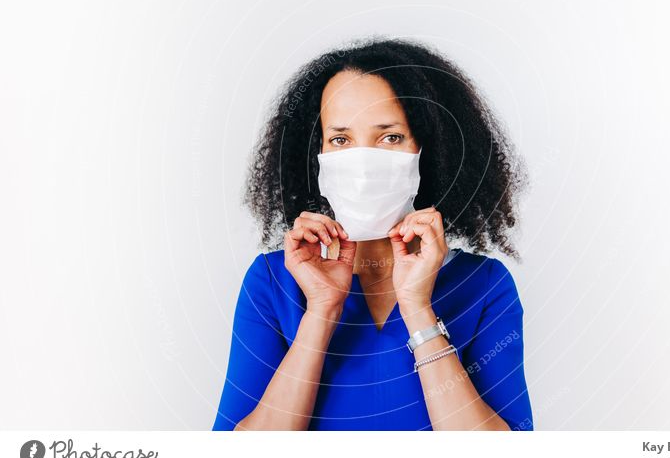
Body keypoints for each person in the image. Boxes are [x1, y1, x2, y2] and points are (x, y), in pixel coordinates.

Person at [212, 37, 534, 431]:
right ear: (317, 155)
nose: (362, 163)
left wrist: (417, 307)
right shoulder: (273, 282)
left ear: (426, 151)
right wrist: (321, 310)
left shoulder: (484, 285)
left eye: (390, 137)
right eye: (341, 139)